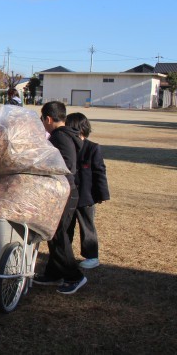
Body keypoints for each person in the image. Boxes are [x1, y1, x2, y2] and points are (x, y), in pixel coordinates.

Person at [34, 101, 86, 295]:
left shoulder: (59, 136)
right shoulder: (66, 134)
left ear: (48, 119)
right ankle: (53, 273)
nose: (42, 124)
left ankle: (74, 277)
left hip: (64, 192)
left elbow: (67, 165)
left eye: (42, 120)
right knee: (55, 234)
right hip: (64, 191)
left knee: (58, 235)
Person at [65, 112, 110, 270]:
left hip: (86, 197)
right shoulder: (67, 147)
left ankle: (92, 256)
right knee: (66, 227)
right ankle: (66, 254)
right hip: (68, 197)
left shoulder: (93, 148)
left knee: (87, 227)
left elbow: (99, 172)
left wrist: (102, 194)